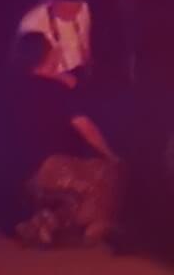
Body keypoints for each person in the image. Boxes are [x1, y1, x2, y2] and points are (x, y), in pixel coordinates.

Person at [13, 30, 120, 249]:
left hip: (15, 171)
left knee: (76, 192)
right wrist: (110, 155)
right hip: (50, 169)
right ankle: (85, 229)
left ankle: (45, 220)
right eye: (52, 50)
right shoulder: (57, 90)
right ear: (44, 57)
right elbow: (83, 126)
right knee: (110, 174)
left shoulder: (12, 87)